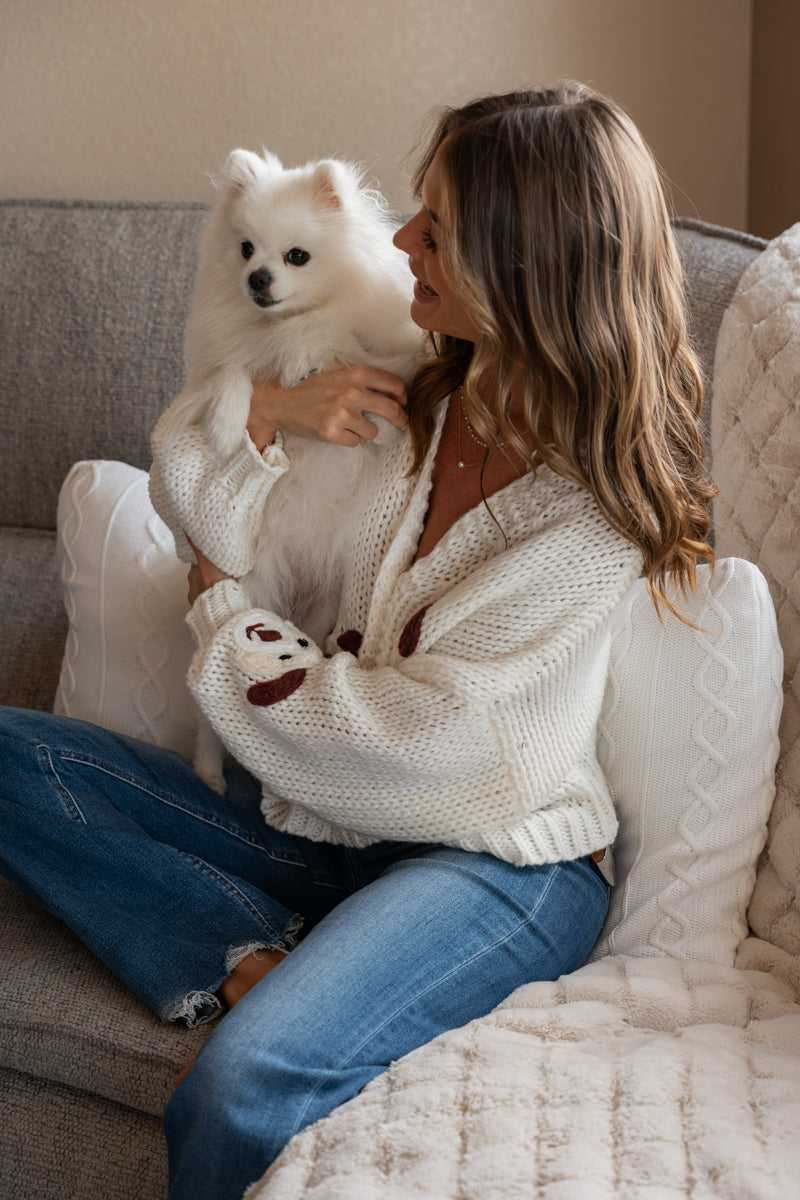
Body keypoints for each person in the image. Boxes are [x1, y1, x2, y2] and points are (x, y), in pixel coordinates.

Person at [0, 83, 715, 1199]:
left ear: (522, 260)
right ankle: (240, 949)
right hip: (320, 819)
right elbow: (201, 517)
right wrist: (264, 411)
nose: (400, 240)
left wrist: (225, 620)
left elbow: (422, 745)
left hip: (486, 859)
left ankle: (274, 979)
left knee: (240, 1090)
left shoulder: (587, 520)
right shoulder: (413, 395)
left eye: (437, 227)